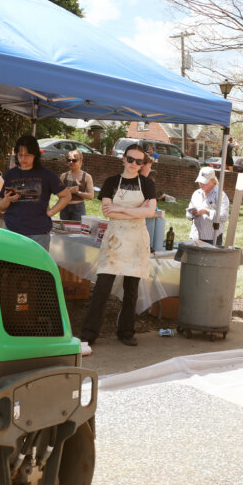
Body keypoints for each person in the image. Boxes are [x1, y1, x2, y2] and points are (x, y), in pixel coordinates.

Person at [80, 143, 157, 347]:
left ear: (142, 164)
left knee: (131, 289)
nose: (133, 164)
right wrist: (135, 209)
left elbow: (150, 212)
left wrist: (120, 207)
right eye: (130, 159)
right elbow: (108, 212)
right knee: (102, 287)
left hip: (137, 239)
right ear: (123, 159)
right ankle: (89, 334)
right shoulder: (111, 182)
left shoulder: (147, 184)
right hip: (115, 237)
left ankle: (126, 331)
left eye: (138, 161)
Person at [0, 135, 69, 249]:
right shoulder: (9, 175)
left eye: (27, 155)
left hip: (39, 233)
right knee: (11, 266)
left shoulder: (46, 174)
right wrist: (7, 199)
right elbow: (1, 206)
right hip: (12, 231)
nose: (23, 159)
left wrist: (51, 213)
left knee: (37, 267)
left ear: (35, 155)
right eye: (20, 155)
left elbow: (66, 196)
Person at [186, 166, 230, 245]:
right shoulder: (196, 193)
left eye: (204, 182)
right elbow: (188, 215)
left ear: (212, 180)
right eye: (200, 181)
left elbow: (224, 216)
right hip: (195, 236)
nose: (201, 184)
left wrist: (206, 212)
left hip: (212, 239)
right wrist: (192, 213)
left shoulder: (220, 195)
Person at [58, 148, 93, 222]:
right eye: (69, 160)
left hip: (78, 208)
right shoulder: (64, 176)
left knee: (77, 231)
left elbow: (91, 196)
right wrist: (69, 191)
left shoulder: (87, 176)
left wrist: (78, 192)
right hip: (64, 207)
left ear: (80, 161)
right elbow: (58, 193)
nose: (71, 162)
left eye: (74, 160)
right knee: (64, 231)